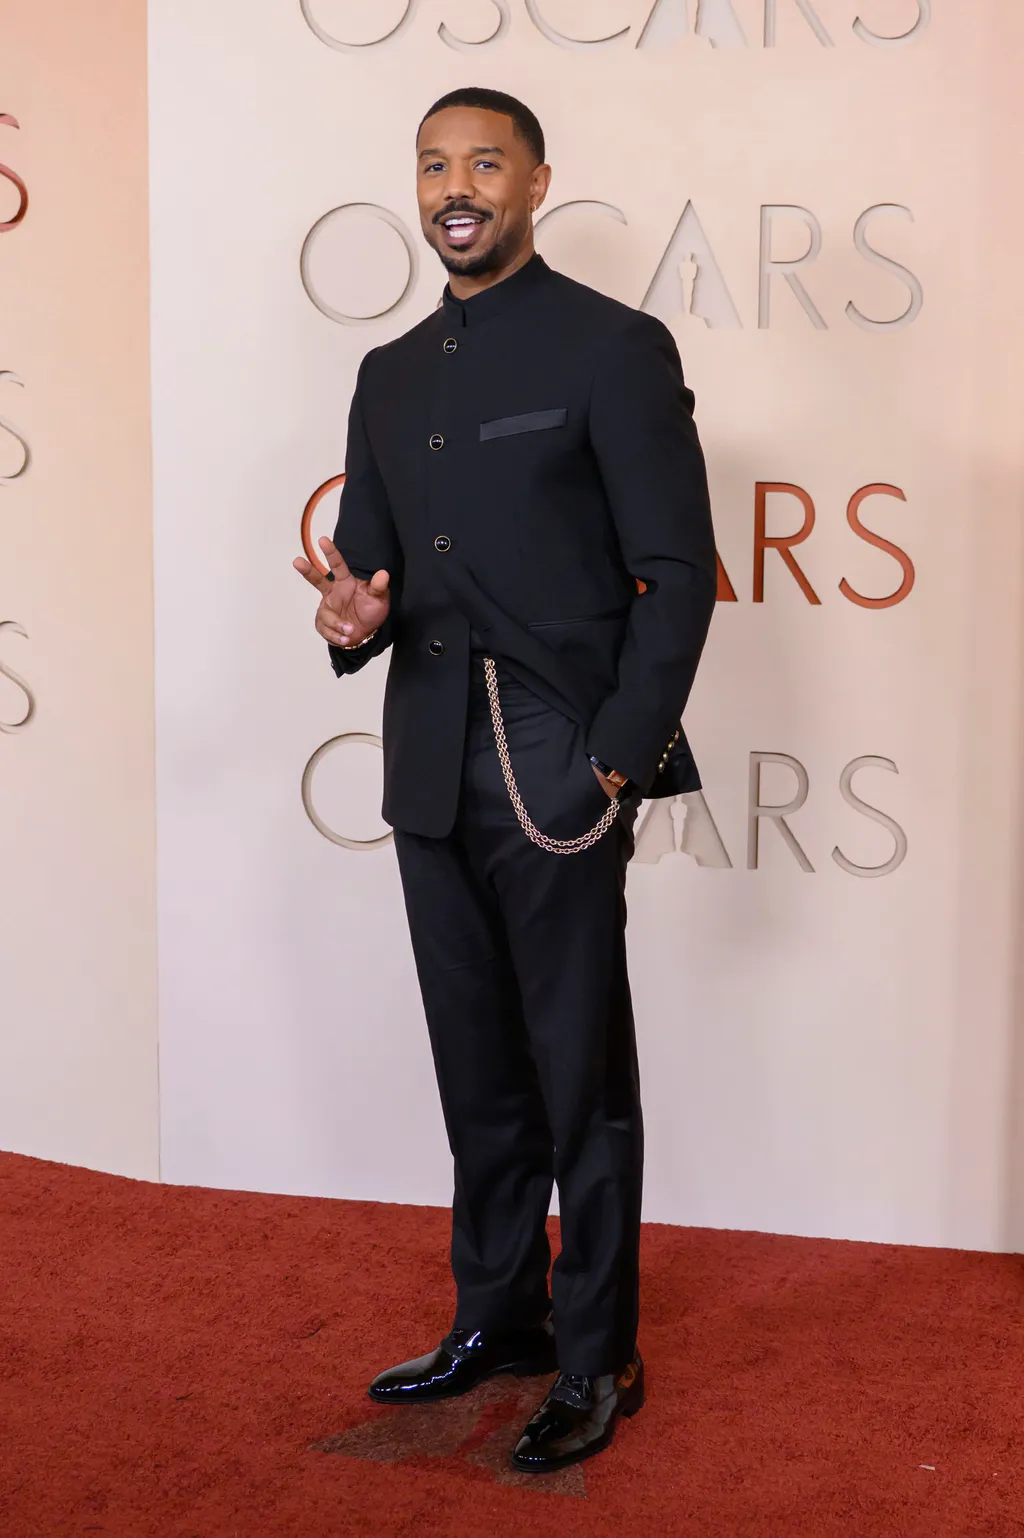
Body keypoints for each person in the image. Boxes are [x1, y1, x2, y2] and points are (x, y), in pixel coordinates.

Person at [294, 86, 716, 1475]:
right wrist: (349, 619)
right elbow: (368, 575)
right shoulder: (388, 372)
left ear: (538, 181)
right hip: (429, 757)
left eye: (484, 163)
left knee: (579, 1077)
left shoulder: (614, 347)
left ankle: (598, 1352)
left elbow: (675, 578)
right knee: (477, 1069)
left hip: (556, 754)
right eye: (434, 166)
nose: (455, 188)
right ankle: (501, 1317)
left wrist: (615, 756)